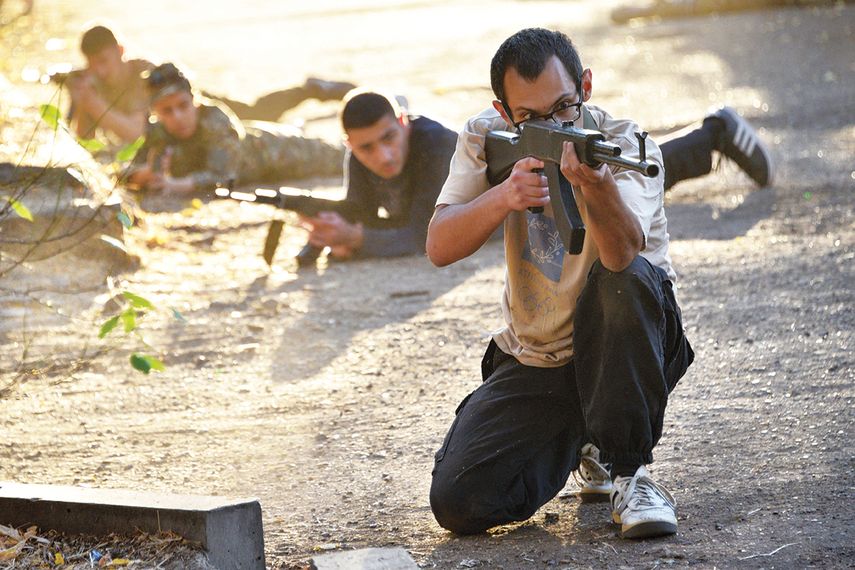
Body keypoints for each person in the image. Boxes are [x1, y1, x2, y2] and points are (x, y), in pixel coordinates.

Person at [426, 28, 696, 539]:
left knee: (626, 280)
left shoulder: (627, 147)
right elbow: (440, 246)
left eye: (564, 107)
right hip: (539, 356)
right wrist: (504, 196)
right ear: (503, 112)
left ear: (586, 86)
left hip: (629, 344)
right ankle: (584, 439)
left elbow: (622, 254)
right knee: (459, 501)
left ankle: (630, 473)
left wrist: (595, 188)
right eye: (529, 117)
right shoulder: (485, 137)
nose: (552, 124)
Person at [63, 25, 355, 146]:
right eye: (93, 63)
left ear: (121, 50)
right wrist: (82, 101)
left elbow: (136, 132)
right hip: (186, 131)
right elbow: (84, 139)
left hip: (202, 108)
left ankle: (311, 89)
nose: (99, 70)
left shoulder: (144, 74)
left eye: (104, 60)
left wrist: (94, 104)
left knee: (258, 112)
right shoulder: (92, 85)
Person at [126, 63, 343, 194]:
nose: (178, 117)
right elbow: (125, 174)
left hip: (282, 151)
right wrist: (145, 174)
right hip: (266, 147)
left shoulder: (216, 120)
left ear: (196, 101)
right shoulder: (157, 132)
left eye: (183, 106)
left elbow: (223, 176)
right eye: (167, 111)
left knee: (342, 158)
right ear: (155, 112)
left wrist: (175, 184)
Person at [297, 89, 458, 262]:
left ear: (403, 121)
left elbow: (429, 236)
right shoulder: (357, 155)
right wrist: (333, 232)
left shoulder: (438, 144)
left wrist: (355, 238)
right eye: (366, 148)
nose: (384, 157)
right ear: (349, 144)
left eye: (389, 138)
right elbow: (361, 216)